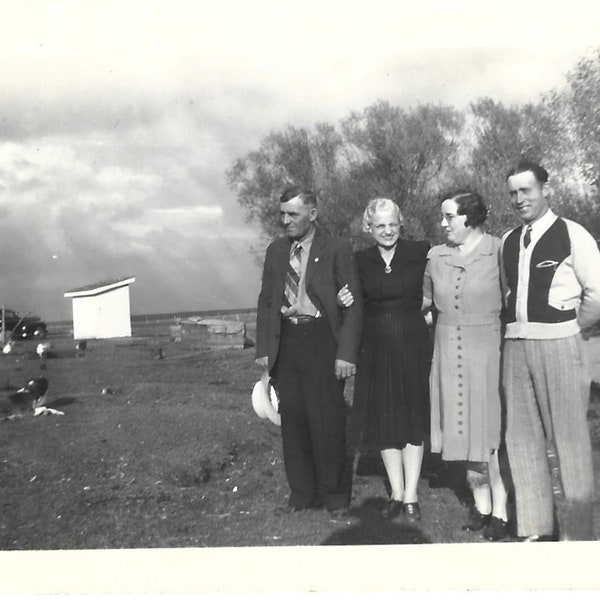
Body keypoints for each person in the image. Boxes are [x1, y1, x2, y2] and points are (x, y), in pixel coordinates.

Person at [501, 160, 600, 541]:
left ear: (545, 189)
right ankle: (536, 531)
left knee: (570, 440)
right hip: (516, 347)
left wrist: (571, 326)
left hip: (560, 345)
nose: (519, 199)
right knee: (522, 440)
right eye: (513, 193)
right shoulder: (510, 240)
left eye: (526, 190)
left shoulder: (573, 235)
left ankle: (577, 536)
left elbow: (596, 293)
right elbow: (510, 293)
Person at [255, 186, 362, 522]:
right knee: (294, 422)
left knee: (328, 421)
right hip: (287, 344)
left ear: (313, 214)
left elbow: (354, 305)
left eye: (293, 214)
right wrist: (264, 351)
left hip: (321, 341)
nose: (286, 220)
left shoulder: (336, 249)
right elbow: (267, 302)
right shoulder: (275, 251)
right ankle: (302, 494)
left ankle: (335, 497)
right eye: (282, 214)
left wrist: (346, 353)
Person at [422, 190, 508, 541]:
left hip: (485, 349)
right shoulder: (435, 256)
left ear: (469, 218)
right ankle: (481, 505)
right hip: (447, 349)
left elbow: (513, 298)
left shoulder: (498, 251)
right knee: (462, 430)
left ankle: (501, 510)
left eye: (449, 217)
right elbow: (424, 302)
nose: (442, 224)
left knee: (487, 435)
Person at [338, 198, 430, 521]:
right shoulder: (360, 260)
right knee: (385, 421)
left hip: (412, 344)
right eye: (380, 226)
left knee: (412, 419)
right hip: (375, 348)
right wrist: (342, 296)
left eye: (392, 224)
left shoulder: (419, 252)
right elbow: (351, 297)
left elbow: (435, 290)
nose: (387, 231)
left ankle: (411, 495)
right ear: (369, 228)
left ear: (400, 223)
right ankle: (395, 490)